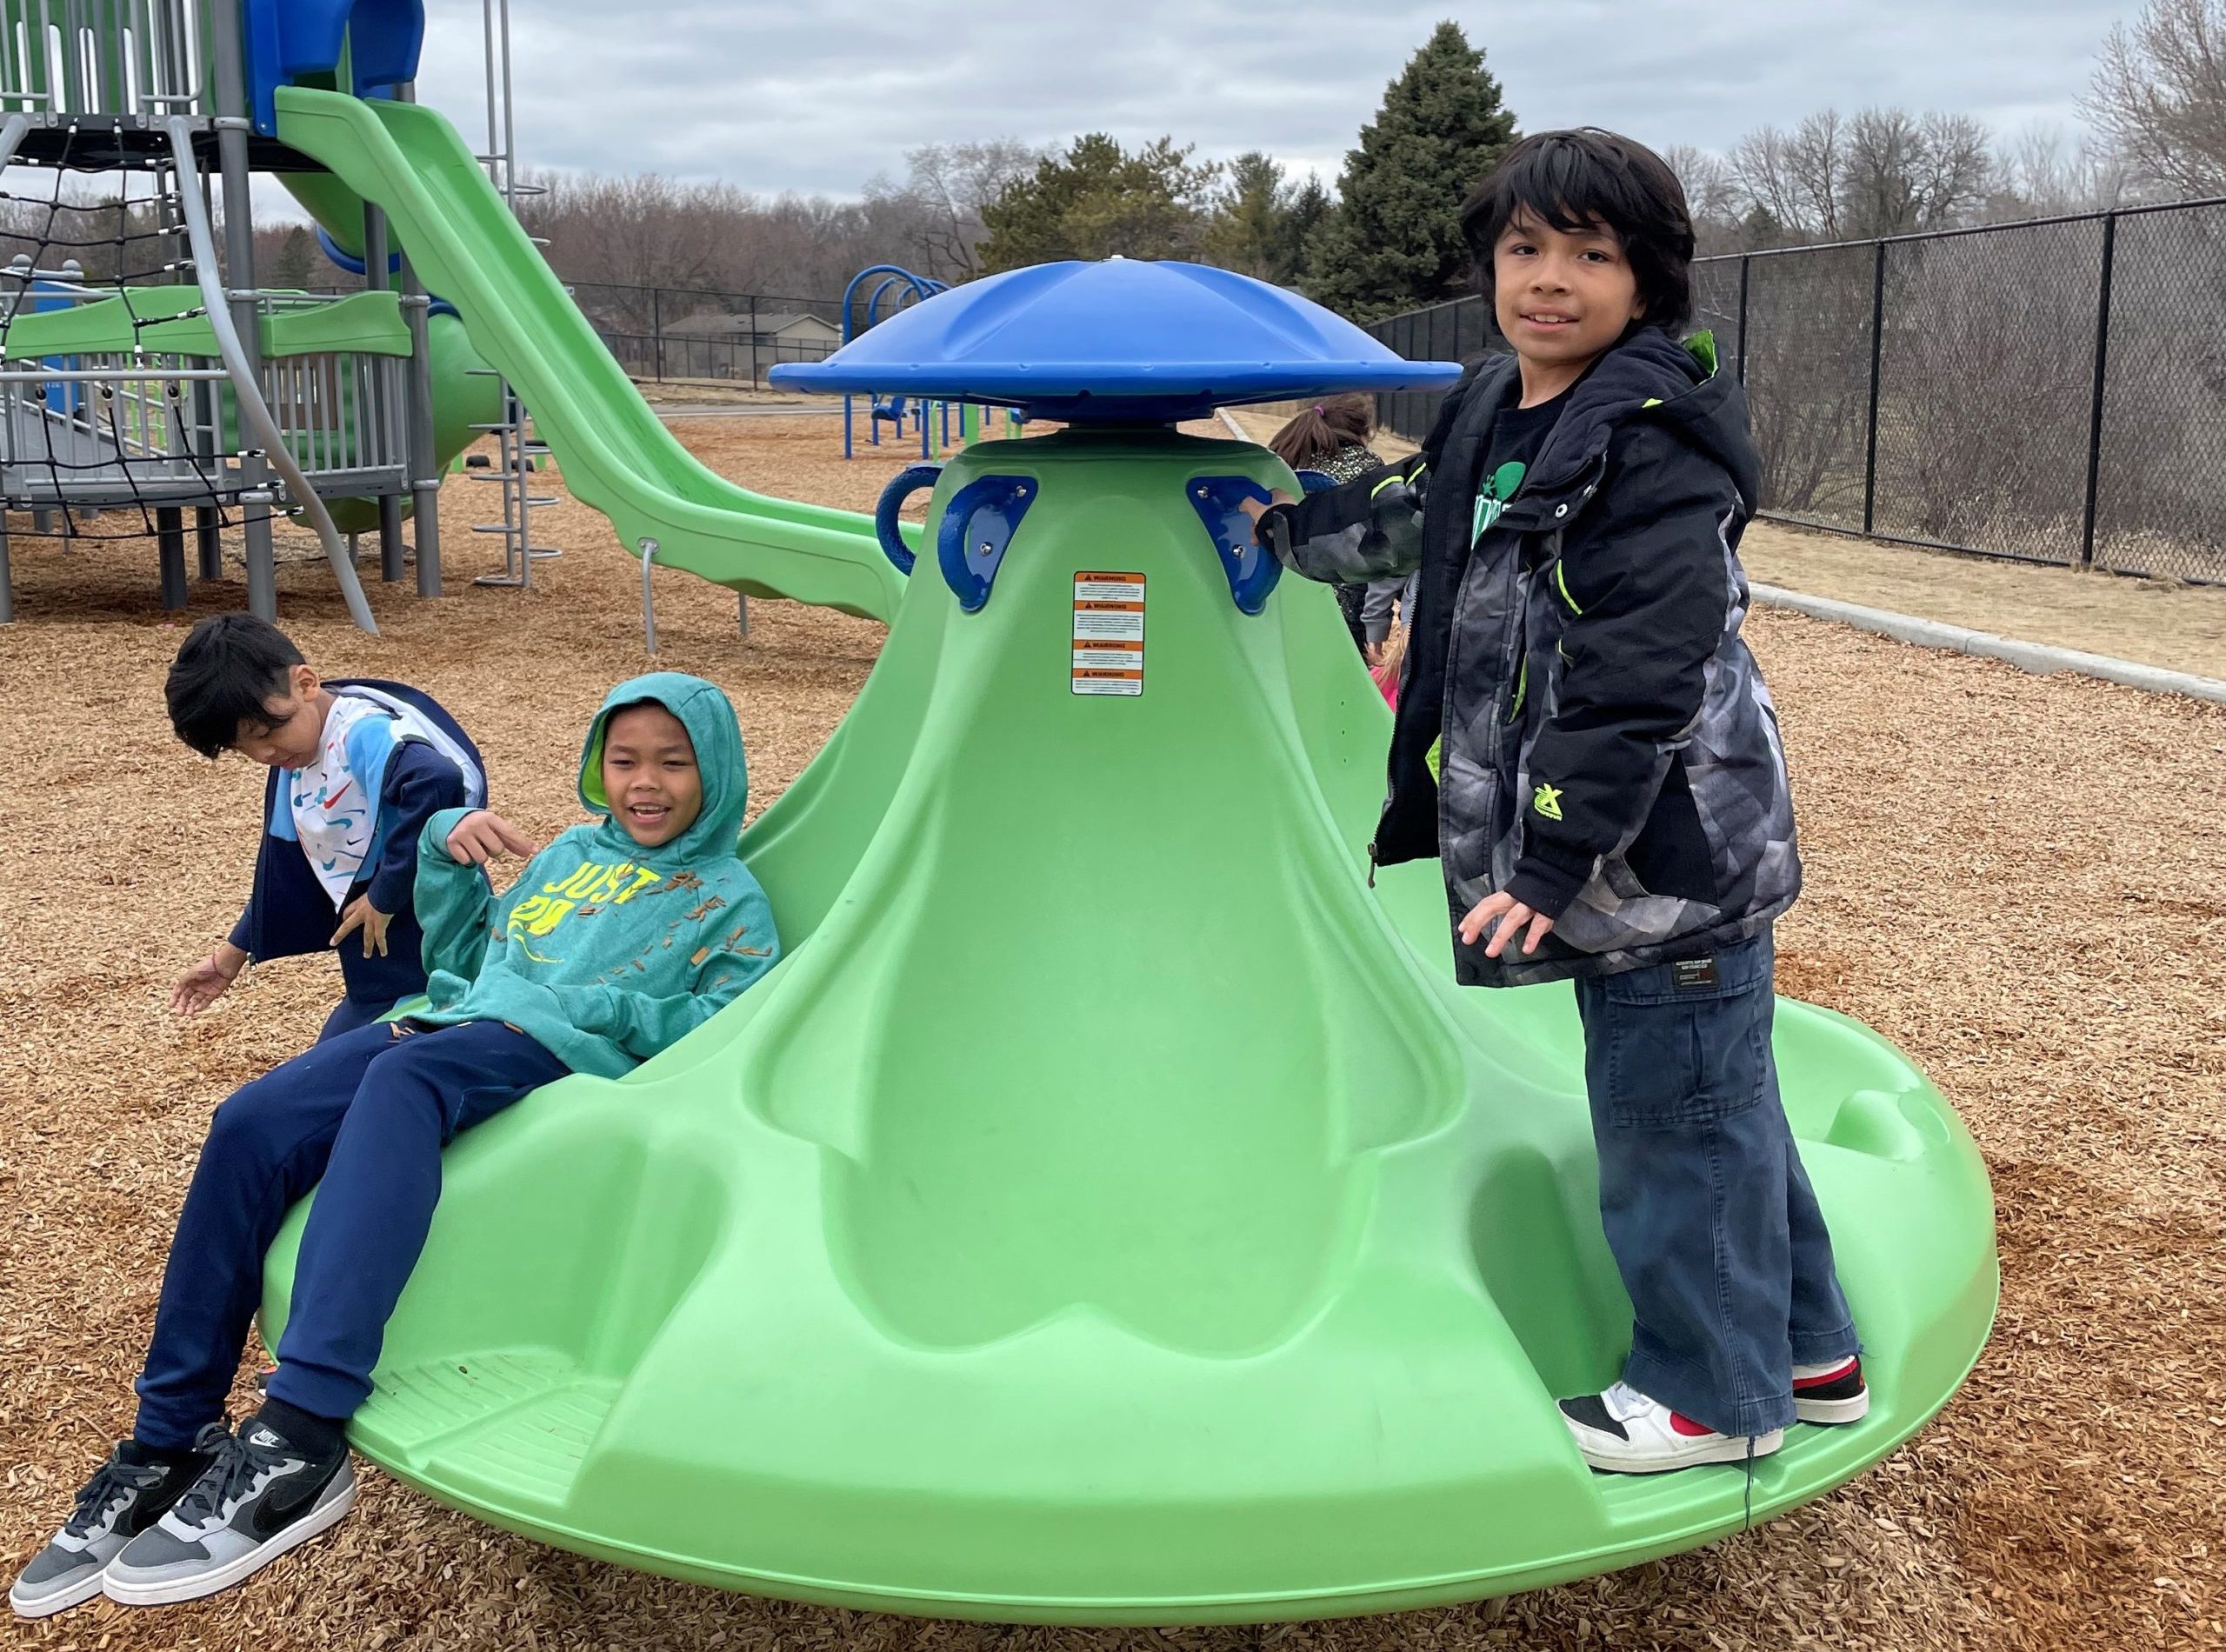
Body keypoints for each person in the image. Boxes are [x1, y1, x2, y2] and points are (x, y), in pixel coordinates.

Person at [1250, 130, 1865, 1475]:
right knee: (1725, 1102)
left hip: (1657, 852)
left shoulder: (1654, 443)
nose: (1551, 279)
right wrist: (1275, 531)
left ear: (1647, 283)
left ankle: (1716, 1399)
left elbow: (1637, 679)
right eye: (1527, 249)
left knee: (1673, 1124)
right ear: (1490, 268)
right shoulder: (1495, 406)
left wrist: (1545, 863)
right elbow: (1421, 512)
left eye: (1593, 254)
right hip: (1614, 847)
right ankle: (1811, 1354)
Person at [10, 673, 781, 1616]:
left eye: (675, 762)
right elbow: (470, 961)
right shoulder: (572, 851)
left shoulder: (730, 899)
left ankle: (303, 1426)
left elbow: (726, 1025)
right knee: (248, 1123)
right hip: (462, 1015)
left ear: (721, 771)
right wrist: (449, 865)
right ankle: (168, 1438)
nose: (645, 782)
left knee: (401, 1079)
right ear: (597, 766)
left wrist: (587, 1003)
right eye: (624, 760)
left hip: (548, 1048)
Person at [164, 614, 487, 1041]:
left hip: (433, 945)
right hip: (379, 966)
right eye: (243, 748)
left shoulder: (363, 731)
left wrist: (385, 894)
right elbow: (290, 865)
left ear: (306, 684)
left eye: (265, 732)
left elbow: (435, 779)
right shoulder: (295, 752)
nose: (262, 754)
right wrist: (231, 954)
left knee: (357, 1059)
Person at [1265, 393, 1403, 658]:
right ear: (1365, 430)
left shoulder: (1288, 456)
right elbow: (1385, 544)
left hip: (1286, 595)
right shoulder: (1368, 467)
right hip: (1344, 601)